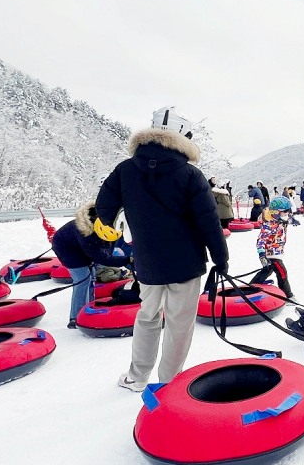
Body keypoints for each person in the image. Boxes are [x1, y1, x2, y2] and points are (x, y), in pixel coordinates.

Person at [96, 107, 229, 392]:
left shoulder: (125, 170)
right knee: (180, 324)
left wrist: (114, 229)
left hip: (147, 262)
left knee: (147, 316)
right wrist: (221, 259)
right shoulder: (190, 174)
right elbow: (209, 222)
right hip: (186, 263)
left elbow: (104, 208)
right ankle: (169, 381)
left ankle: (137, 376)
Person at [51, 201, 131, 328]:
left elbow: (108, 249)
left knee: (92, 277)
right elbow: (102, 258)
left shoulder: (110, 222)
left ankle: (89, 308)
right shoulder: (85, 233)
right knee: (82, 279)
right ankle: (75, 317)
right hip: (66, 248)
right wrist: (127, 260)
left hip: (81, 245)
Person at [249, 196, 298, 299]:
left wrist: (292, 220)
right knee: (282, 273)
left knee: (267, 270)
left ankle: (251, 286)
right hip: (270, 254)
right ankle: (288, 296)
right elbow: (260, 241)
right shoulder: (269, 225)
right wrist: (262, 255)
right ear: (276, 212)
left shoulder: (281, 219)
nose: (288, 213)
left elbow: (286, 218)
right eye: (286, 211)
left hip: (277, 251)